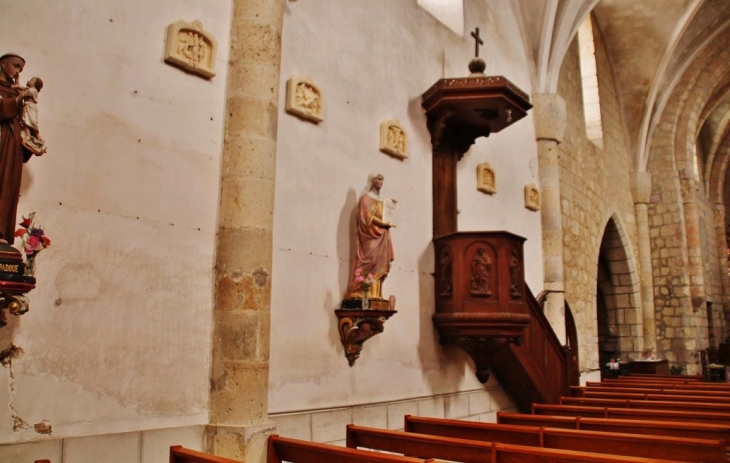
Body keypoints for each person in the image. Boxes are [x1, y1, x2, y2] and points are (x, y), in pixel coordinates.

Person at [0, 53, 36, 244]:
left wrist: (32, 139)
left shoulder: (17, 91)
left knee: (8, 186)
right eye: (15, 66)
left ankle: (2, 233)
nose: (18, 71)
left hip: (12, 146)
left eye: (20, 69)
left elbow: (23, 121)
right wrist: (19, 98)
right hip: (1, 139)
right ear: (3, 63)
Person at [344, 174, 396, 302]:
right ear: (372, 181)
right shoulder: (365, 198)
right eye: (379, 179)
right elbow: (367, 218)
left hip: (383, 237)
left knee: (381, 263)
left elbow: (385, 217)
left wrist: (391, 211)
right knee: (371, 261)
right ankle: (361, 293)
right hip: (370, 237)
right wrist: (383, 224)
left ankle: (376, 295)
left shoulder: (382, 202)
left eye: (382, 179)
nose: (381, 182)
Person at [13, 76, 46, 156]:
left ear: (35, 84)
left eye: (31, 80)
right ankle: (28, 136)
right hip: (26, 107)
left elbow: (22, 92)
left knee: (32, 122)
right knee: (25, 122)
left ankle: (38, 137)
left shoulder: (33, 91)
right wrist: (17, 81)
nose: (29, 80)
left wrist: (16, 86)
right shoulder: (29, 90)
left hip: (31, 108)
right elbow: (20, 91)